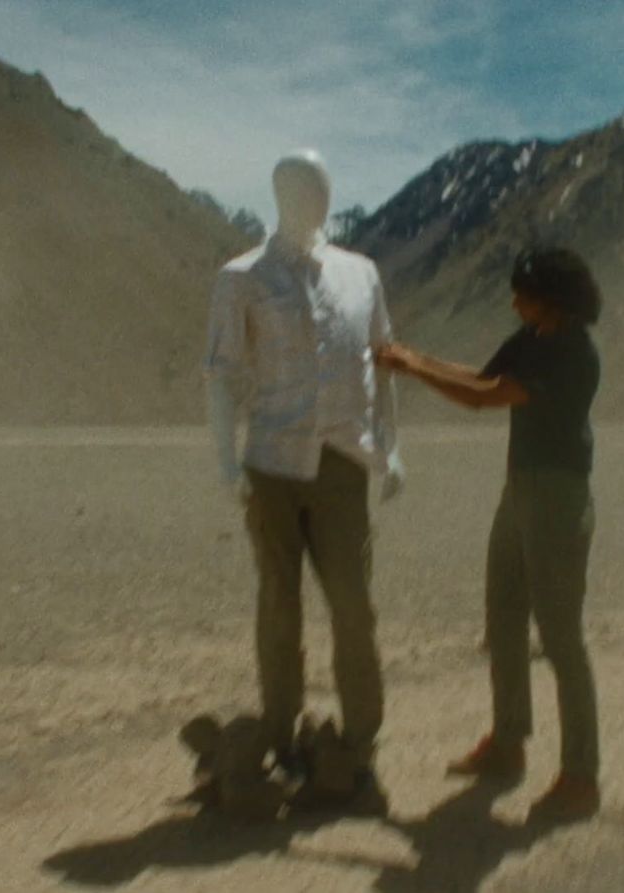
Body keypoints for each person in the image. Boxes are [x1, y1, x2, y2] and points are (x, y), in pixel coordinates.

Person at [203, 149, 404, 807]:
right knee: (279, 607)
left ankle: (361, 739)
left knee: (354, 607)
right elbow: (221, 374)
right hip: (272, 466)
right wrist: (227, 461)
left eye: (317, 186)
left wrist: (391, 449)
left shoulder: (361, 274)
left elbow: (382, 363)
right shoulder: (241, 279)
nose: (308, 197)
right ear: (274, 191)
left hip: (343, 462)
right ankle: (283, 737)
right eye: (294, 186)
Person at [376, 246, 602, 823]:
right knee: (503, 617)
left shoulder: (573, 354)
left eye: (523, 292)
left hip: (557, 497)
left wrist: (413, 368)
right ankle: (508, 742)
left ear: (551, 297)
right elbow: (481, 377)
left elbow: (482, 400)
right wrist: (417, 357)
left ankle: (581, 776)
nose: (513, 301)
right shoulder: (532, 338)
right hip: (518, 490)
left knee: (559, 636)